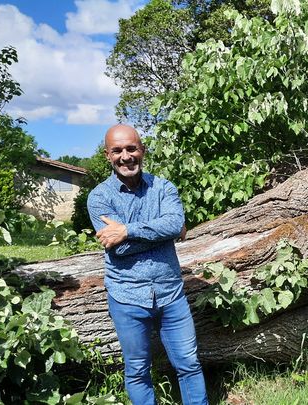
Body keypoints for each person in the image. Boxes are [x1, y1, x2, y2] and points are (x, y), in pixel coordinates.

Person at [87, 124, 207, 405]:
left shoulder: (164, 187)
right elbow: (119, 249)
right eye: (117, 150)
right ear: (107, 155)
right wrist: (164, 233)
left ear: (142, 150)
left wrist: (127, 230)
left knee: (189, 365)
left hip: (170, 294)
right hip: (127, 296)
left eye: (131, 148)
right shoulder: (99, 197)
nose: (125, 156)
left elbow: (173, 224)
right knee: (138, 371)